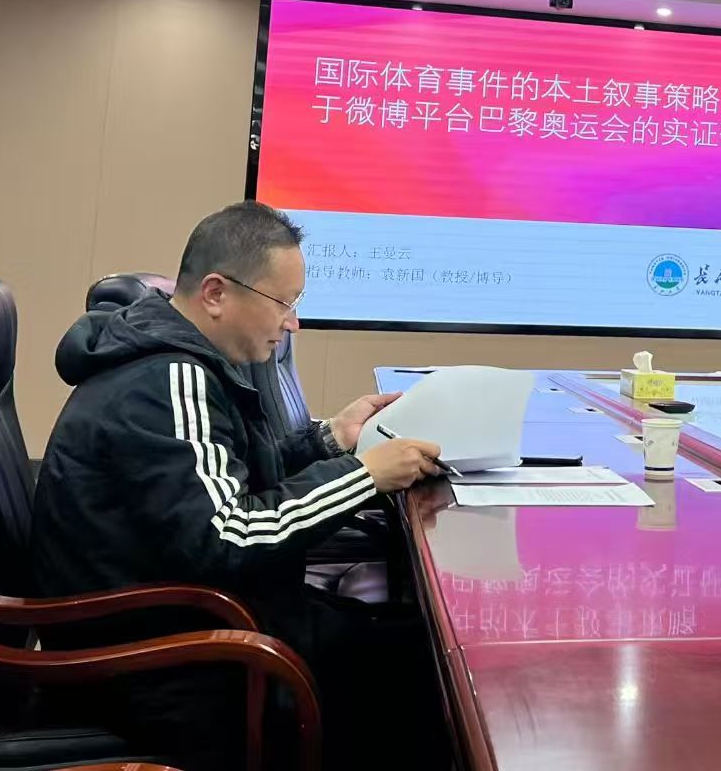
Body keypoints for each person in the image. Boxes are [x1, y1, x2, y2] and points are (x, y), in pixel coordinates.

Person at [31, 201, 445, 771]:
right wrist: (363, 475)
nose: (293, 324)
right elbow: (229, 533)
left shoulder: (182, 362)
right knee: (415, 672)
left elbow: (230, 477)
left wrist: (332, 438)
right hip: (153, 659)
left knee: (404, 640)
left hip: (192, 618)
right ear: (216, 293)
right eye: (284, 303)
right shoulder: (166, 379)